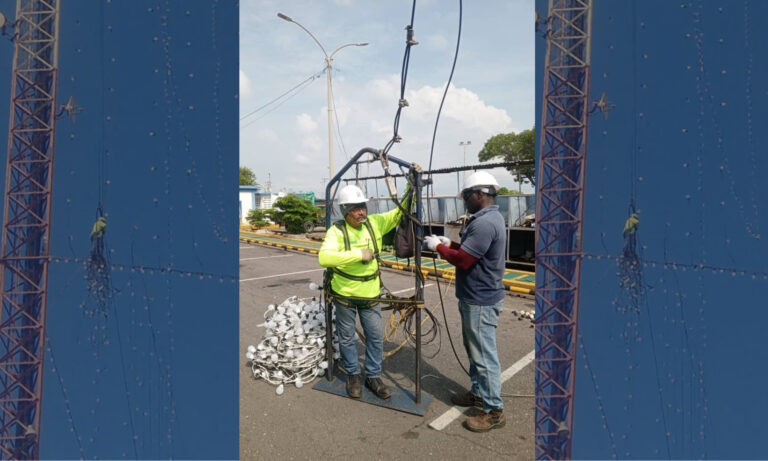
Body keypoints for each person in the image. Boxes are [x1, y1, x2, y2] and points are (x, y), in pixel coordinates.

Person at [423, 170, 507, 432]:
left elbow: (464, 261)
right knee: (474, 352)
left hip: (480, 300)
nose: (464, 201)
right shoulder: (484, 218)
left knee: (483, 355)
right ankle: (478, 392)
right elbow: (470, 251)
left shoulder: (484, 223)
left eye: (467, 196)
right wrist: (451, 243)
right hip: (475, 297)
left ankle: (493, 410)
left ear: (480, 194)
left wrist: (438, 247)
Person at [318, 184, 409, 400]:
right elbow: (324, 258)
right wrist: (358, 254)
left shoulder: (374, 223)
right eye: (356, 209)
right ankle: (353, 375)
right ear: (345, 210)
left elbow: (398, 213)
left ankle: (373, 376)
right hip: (345, 295)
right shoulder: (336, 231)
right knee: (347, 337)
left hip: (370, 294)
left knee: (375, 337)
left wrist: (411, 188)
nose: (362, 212)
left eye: (363, 207)